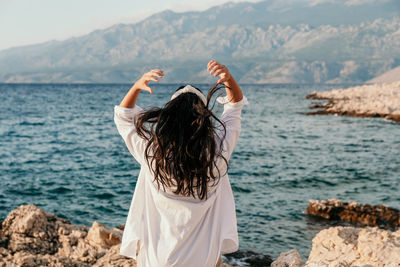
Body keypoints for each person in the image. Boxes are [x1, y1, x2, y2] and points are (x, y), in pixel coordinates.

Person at [114, 60, 247, 267]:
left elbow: (123, 117)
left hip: (156, 259)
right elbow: (235, 107)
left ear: (169, 119)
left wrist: (137, 85)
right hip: (201, 260)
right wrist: (228, 78)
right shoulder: (217, 154)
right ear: (203, 119)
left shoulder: (154, 156)